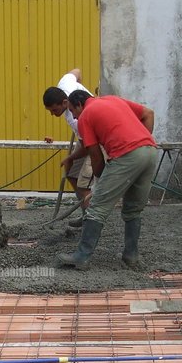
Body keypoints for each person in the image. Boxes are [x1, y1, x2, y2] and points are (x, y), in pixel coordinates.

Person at [56, 89, 158, 270]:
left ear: (79, 104)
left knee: (96, 208)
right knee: (133, 209)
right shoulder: (112, 99)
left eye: (73, 111)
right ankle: (131, 256)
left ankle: (81, 256)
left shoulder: (86, 116)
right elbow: (148, 114)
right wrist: (140, 143)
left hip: (126, 155)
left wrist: (100, 180)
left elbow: (95, 155)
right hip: (149, 151)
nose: (75, 117)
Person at [42, 69, 95, 227]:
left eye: (54, 110)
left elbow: (88, 146)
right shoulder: (64, 84)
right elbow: (77, 71)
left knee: (84, 184)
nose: (53, 114)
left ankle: (92, 224)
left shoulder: (77, 120)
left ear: (65, 103)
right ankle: (86, 213)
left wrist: (71, 158)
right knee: (72, 175)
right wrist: (80, 86)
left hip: (96, 139)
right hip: (84, 137)